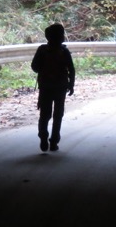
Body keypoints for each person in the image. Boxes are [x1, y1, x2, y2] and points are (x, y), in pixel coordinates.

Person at [31, 23, 75, 152]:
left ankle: (43, 136)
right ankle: (54, 141)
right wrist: (71, 85)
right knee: (58, 114)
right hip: (61, 86)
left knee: (45, 113)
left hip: (45, 86)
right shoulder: (64, 50)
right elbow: (71, 69)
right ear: (61, 36)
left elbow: (34, 67)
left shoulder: (42, 50)